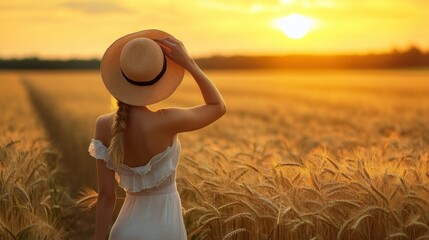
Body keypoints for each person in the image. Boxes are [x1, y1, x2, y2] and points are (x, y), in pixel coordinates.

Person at [88, 29, 226, 240]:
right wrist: (189, 63)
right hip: (165, 231)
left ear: (120, 76)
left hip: (124, 231)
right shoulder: (167, 121)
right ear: (157, 81)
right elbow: (217, 106)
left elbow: (106, 196)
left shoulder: (103, 125)